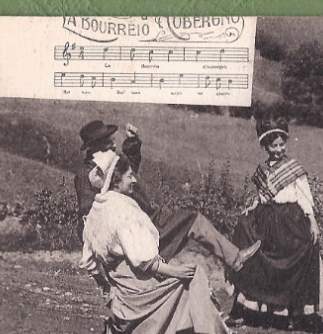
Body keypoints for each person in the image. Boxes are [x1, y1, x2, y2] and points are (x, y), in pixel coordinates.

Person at [80, 150, 254, 334]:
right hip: (142, 290)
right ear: (115, 180)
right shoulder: (122, 211)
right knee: (193, 282)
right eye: (128, 175)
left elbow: (91, 262)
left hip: (126, 295)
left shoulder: (97, 211)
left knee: (188, 297)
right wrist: (175, 272)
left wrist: (108, 288)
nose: (134, 179)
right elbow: (144, 262)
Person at [75, 118, 256, 278]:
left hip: (152, 219)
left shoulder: (109, 162)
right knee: (193, 223)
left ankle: (234, 258)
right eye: (109, 143)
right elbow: (89, 216)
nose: (114, 145)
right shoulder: (87, 175)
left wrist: (132, 142)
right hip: (136, 230)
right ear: (95, 147)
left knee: (194, 220)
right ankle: (233, 259)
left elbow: (129, 170)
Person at [230, 117, 323, 332]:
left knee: (294, 257)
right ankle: (250, 309)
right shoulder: (263, 170)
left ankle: (292, 312)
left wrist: (312, 221)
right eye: (274, 145)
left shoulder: (293, 169)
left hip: (290, 219)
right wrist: (252, 206)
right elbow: (262, 196)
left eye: (282, 144)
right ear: (266, 146)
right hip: (267, 219)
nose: (279, 149)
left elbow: (304, 197)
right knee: (253, 251)